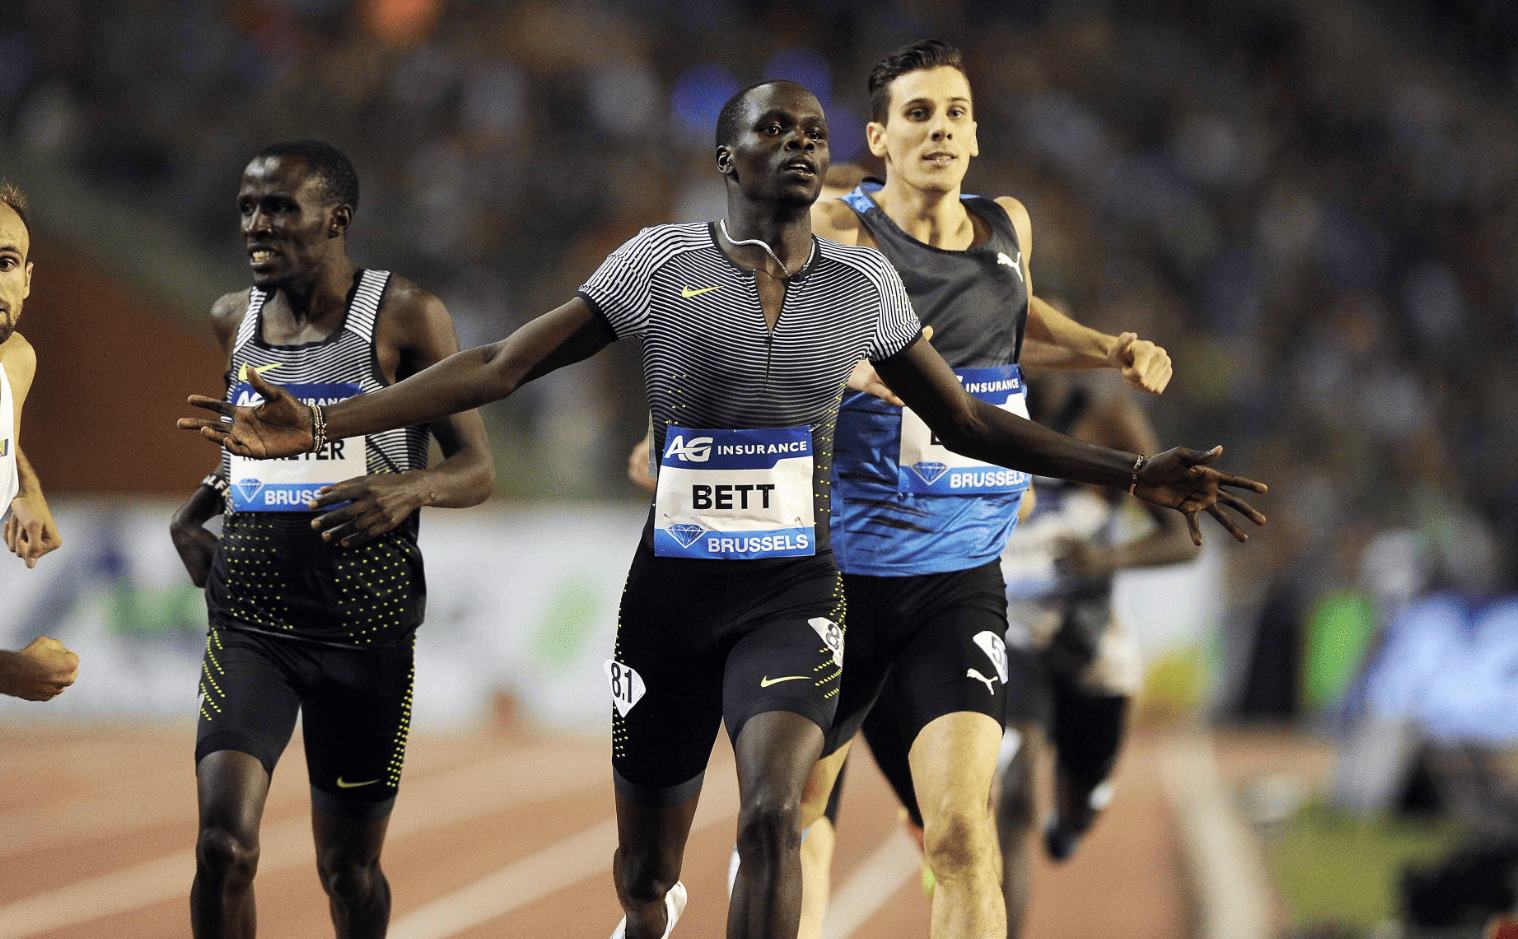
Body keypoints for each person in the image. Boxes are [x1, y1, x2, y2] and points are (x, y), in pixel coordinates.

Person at [178, 82, 1265, 939]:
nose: (797, 143)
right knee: (646, 867)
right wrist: (330, 424)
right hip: (673, 599)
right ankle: (650, 913)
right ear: (726, 157)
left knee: (773, 813)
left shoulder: (864, 285)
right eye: (772, 129)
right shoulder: (657, 262)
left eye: (812, 131)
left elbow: (976, 425)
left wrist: (1130, 477)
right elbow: (503, 365)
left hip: (795, 591)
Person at [791, 39, 1179, 939]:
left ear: (975, 135)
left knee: (964, 832)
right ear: (880, 139)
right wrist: (856, 370)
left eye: (956, 113)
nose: (940, 130)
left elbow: (1015, 317)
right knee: (795, 815)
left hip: (958, 580)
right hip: (836, 578)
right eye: (918, 114)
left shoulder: (1007, 225)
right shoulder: (839, 230)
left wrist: (1107, 347)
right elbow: (769, 330)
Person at [167, 140, 493, 939]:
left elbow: (478, 469)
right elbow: (249, 442)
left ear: (336, 218)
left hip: (366, 630)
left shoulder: (406, 315)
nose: (257, 225)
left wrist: (409, 486)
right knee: (223, 844)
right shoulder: (230, 317)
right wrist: (190, 514)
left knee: (347, 872)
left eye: (279, 208)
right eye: (247, 207)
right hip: (251, 624)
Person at [0, 180, 76, 702]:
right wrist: (10, 673)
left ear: (27, 280)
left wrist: (26, 485)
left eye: (5, 262)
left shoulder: (15, 361)